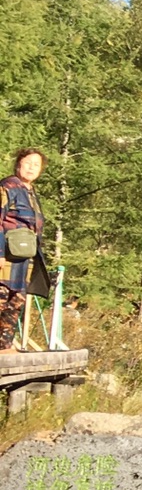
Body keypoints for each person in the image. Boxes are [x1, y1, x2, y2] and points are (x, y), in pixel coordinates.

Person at [0, 149, 51, 354]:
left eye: (36, 165)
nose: (31, 167)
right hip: (7, 255)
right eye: (28, 162)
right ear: (18, 164)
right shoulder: (7, 187)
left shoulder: (30, 192)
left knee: (16, 300)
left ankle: (4, 346)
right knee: (1, 296)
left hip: (25, 257)